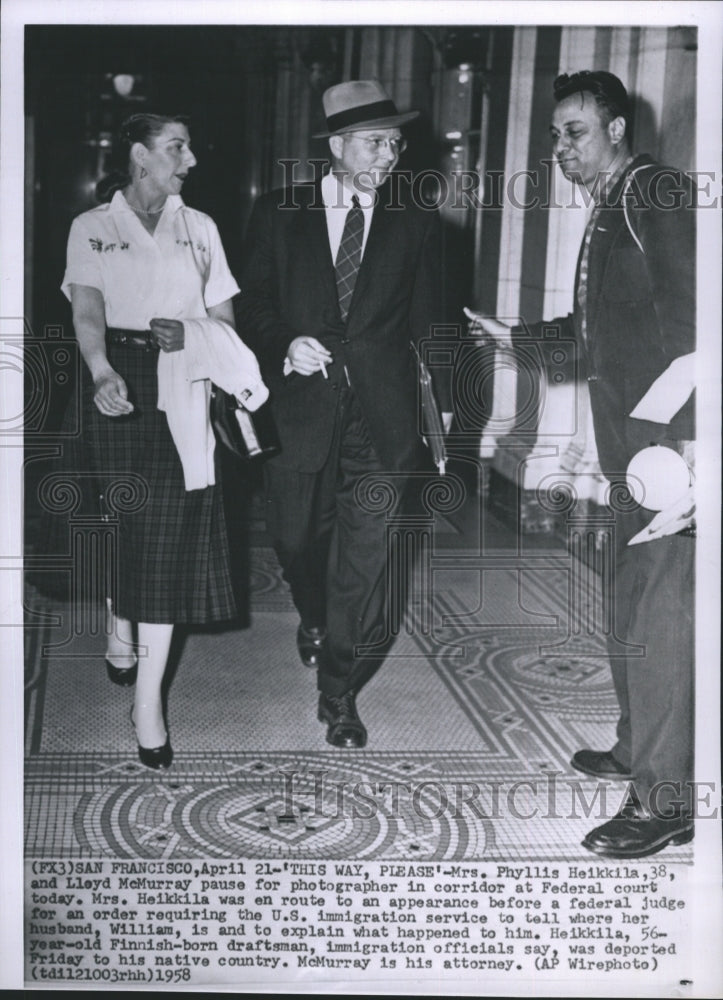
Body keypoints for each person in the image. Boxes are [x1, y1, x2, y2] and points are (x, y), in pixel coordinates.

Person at [467, 70, 696, 857]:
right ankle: (638, 748)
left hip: (672, 453)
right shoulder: (611, 207)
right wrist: (517, 339)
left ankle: (664, 800)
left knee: (666, 617)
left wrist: (691, 451)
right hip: (632, 451)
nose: (558, 148)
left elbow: (700, 322)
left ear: (616, 129)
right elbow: (594, 331)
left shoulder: (655, 193)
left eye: (572, 131)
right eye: (555, 134)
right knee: (631, 600)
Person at [238, 80, 452, 748]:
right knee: (297, 541)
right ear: (335, 146)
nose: (387, 154)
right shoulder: (280, 213)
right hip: (299, 411)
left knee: (362, 563)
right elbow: (251, 305)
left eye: (394, 142)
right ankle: (311, 615)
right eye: (372, 141)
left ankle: (338, 695)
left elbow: (431, 328)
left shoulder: (418, 223)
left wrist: (435, 416)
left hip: (381, 420)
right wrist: (282, 343)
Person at [61, 113, 266, 768]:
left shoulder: (200, 228)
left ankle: (146, 701)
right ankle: (120, 622)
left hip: (181, 381)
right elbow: (86, 309)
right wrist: (100, 373)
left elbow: (225, 318)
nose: (190, 159)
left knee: (167, 539)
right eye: (177, 146)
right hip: (114, 380)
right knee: (125, 522)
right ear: (139, 155)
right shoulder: (92, 227)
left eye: (188, 144)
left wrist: (193, 335)